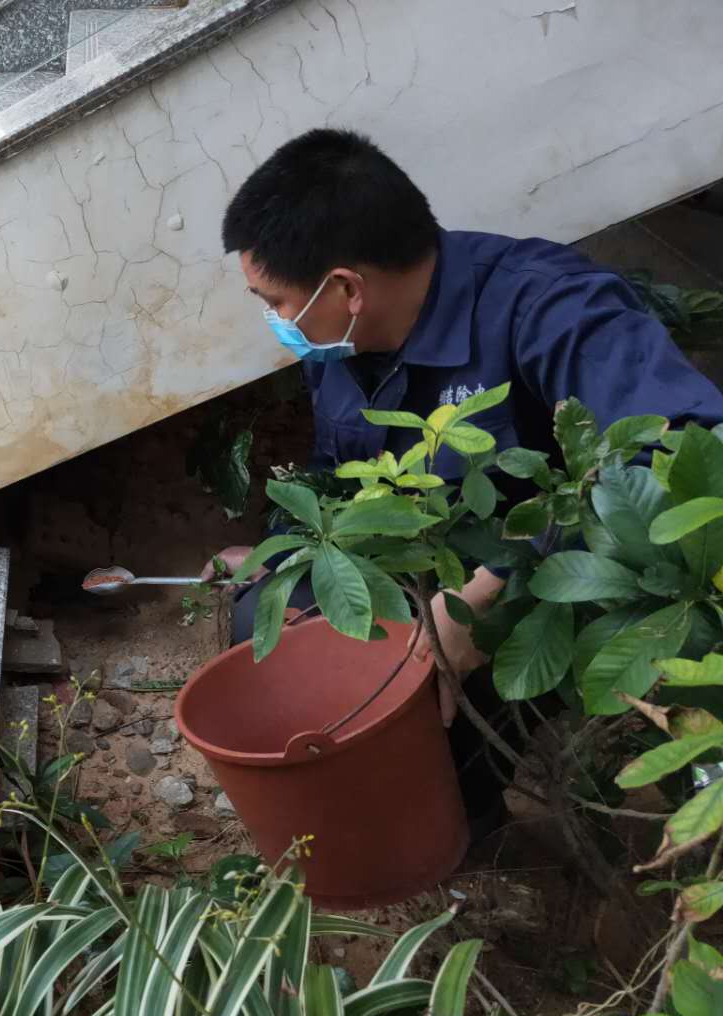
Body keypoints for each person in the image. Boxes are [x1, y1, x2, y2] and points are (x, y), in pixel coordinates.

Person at [206, 128, 723, 834]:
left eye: (275, 301)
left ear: (347, 288)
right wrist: (284, 550)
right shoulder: (339, 344)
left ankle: (462, 831)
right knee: (263, 622)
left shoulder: (550, 306)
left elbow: (687, 451)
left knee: (425, 723)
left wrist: (489, 594)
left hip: (557, 593)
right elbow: (337, 477)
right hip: (423, 574)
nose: (274, 320)